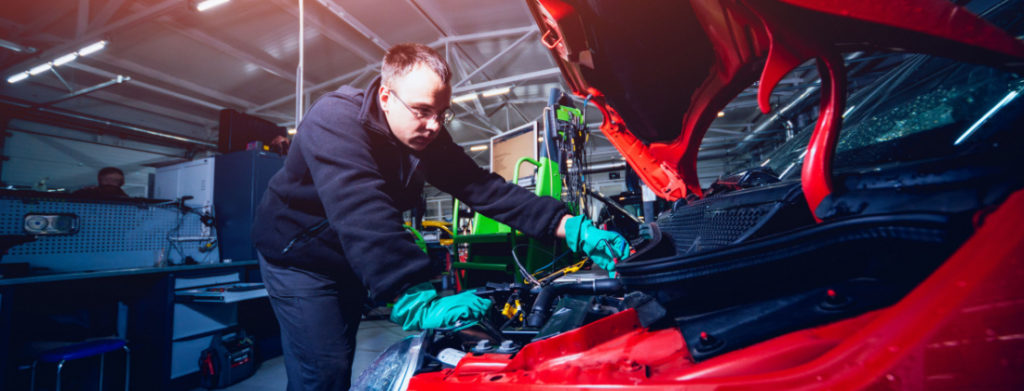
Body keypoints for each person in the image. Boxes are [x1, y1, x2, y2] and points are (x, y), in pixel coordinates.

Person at [251, 43, 628, 390]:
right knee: (323, 370)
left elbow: (482, 188)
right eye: (422, 110)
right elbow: (360, 206)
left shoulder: (428, 138)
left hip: (346, 256)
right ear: (386, 96)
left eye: (442, 113)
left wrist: (570, 227)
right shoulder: (334, 120)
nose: (434, 125)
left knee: (339, 356)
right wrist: (412, 294)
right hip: (298, 259)